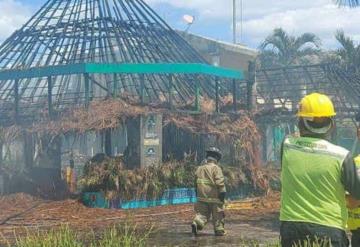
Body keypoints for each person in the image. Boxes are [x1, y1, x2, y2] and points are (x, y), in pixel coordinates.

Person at [280, 93, 360, 247]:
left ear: (300, 122)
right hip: (329, 229)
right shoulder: (342, 156)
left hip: (292, 228)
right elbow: (357, 194)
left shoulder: (286, 146)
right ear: (332, 124)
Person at [191, 147, 226, 236]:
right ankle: (219, 231)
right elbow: (219, 182)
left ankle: (196, 223)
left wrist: (197, 194)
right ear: (217, 158)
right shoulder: (216, 168)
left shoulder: (199, 168)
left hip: (202, 197)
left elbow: (195, 183)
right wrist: (222, 193)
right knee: (218, 215)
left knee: (202, 214)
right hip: (215, 198)